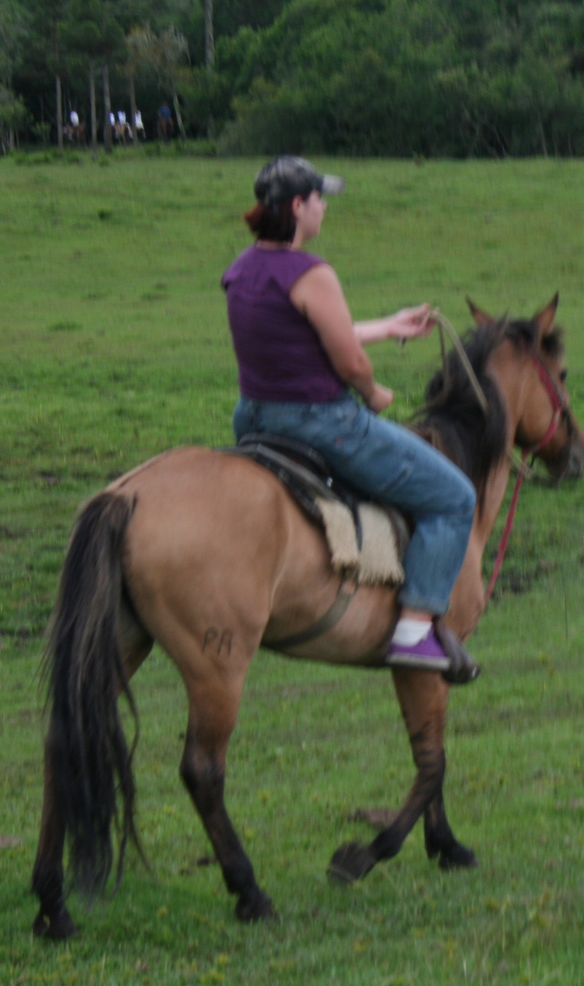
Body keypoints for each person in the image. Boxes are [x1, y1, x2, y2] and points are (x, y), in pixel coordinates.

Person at [223, 156, 475, 673]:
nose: (324, 208)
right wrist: (373, 391)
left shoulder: (243, 269)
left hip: (253, 419)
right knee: (453, 498)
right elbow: (348, 360)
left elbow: (305, 330)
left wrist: (388, 326)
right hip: (322, 424)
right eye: (319, 199)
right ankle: (412, 628)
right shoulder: (311, 273)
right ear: (298, 207)